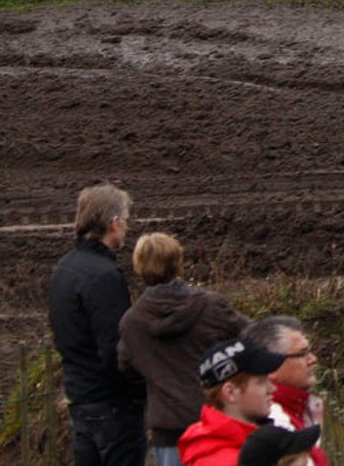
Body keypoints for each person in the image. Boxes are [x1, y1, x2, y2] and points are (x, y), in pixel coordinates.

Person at [117, 232, 249, 466]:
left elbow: (126, 369)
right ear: (178, 262)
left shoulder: (132, 322)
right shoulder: (210, 306)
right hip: (213, 420)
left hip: (168, 427)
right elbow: (250, 339)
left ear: (139, 268)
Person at [49, 183, 146, 466]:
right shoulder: (104, 277)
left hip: (79, 397)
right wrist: (139, 389)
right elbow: (115, 349)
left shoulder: (63, 269)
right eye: (126, 220)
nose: (126, 228)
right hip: (111, 406)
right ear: (113, 224)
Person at [176, 338, 289, 466]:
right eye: (261, 382)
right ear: (230, 392)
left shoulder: (250, 442)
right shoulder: (224, 461)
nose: (272, 389)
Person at [240, 318, 329, 466]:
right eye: (302, 353)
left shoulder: (297, 409)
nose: (313, 359)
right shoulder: (274, 422)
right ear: (272, 364)